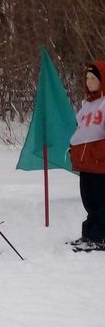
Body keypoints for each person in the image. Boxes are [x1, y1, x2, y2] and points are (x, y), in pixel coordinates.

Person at [71, 61, 105, 251]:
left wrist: (96, 152)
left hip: (100, 163)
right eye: (87, 78)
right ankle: (89, 235)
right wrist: (73, 149)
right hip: (86, 163)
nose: (89, 82)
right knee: (89, 202)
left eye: (93, 78)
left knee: (102, 203)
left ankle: (101, 237)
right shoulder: (87, 105)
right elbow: (80, 131)